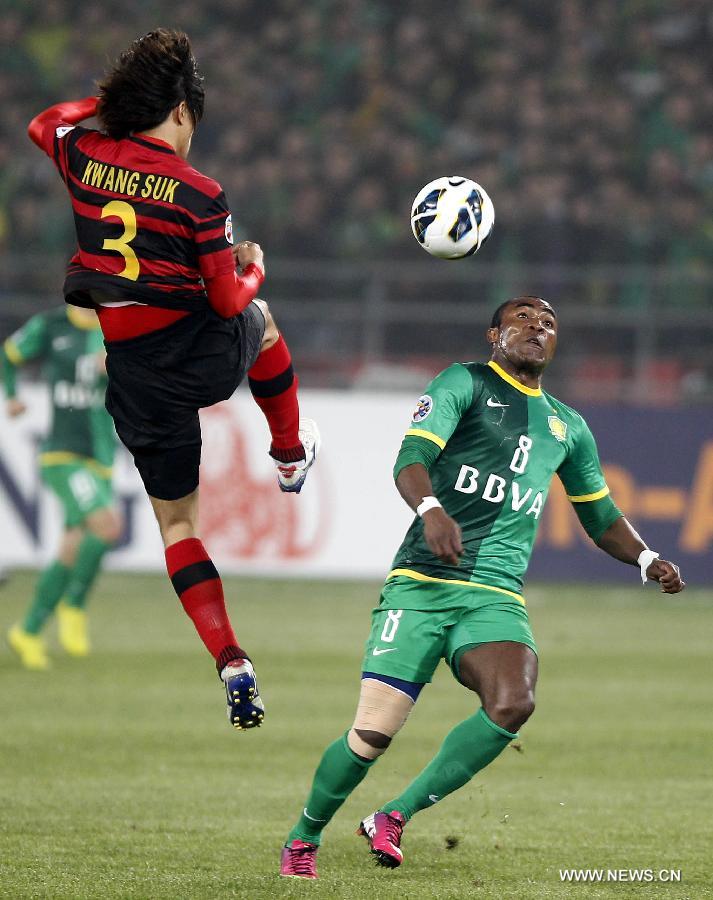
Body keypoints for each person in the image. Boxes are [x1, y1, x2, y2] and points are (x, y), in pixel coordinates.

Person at [280, 296, 684, 879]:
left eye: (548, 324)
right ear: (495, 333)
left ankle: (393, 815)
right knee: (371, 735)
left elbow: (598, 515)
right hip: (421, 581)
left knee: (513, 702)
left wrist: (646, 557)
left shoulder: (568, 426)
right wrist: (431, 510)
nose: (537, 328)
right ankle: (303, 837)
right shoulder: (463, 383)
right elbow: (411, 458)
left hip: (495, 591)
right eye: (524, 318)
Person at [27, 29, 319, 729]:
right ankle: (288, 454)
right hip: (198, 351)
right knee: (265, 321)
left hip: (134, 375)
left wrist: (108, 103)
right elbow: (227, 302)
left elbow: (46, 123)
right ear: (184, 112)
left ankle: (229, 657)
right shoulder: (198, 191)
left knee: (178, 524)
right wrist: (253, 266)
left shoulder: (84, 154)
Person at [3, 305, 121, 669]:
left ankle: (29, 629)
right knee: (107, 526)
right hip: (62, 454)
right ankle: (74, 605)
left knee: (72, 545)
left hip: (100, 454)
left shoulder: (114, 328)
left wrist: (118, 370)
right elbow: (9, 355)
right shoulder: (50, 324)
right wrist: (12, 395)